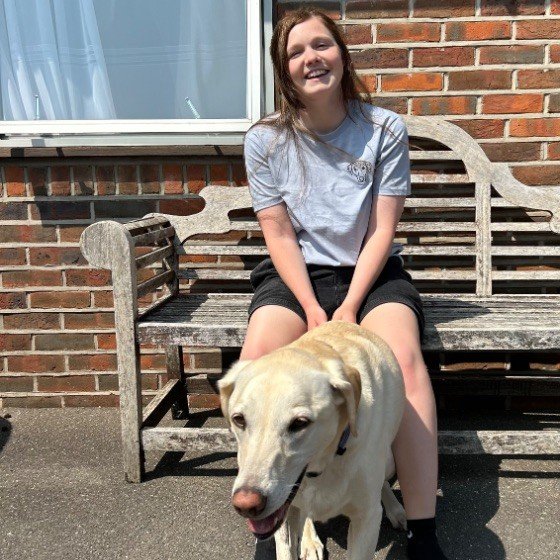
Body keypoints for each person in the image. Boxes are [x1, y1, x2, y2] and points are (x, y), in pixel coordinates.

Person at [241, 8, 449, 560]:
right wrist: (312, 308)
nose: (311, 58)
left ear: (341, 53)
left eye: (322, 45)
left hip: (371, 275)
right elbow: (278, 233)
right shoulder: (265, 140)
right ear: (283, 70)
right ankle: (273, 515)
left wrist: (351, 303)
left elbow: (382, 228)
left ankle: (423, 532)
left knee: (404, 364)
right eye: (296, 52)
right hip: (297, 277)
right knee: (257, 360)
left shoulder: (384, 129)